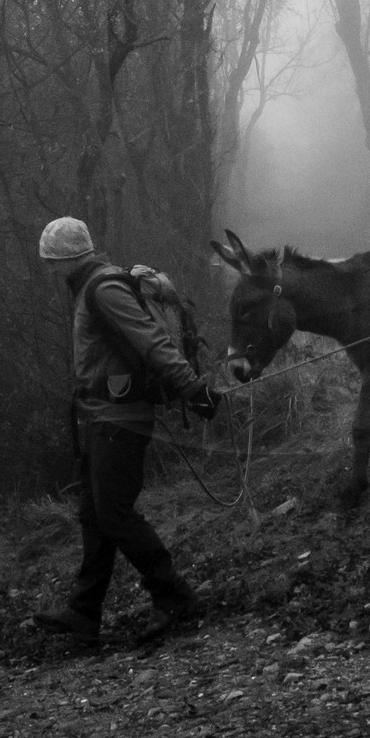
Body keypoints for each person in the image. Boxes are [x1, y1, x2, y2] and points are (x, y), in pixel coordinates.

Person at [33, 216, 225, 646]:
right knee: (94, 514)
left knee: (114, 513)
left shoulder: (103, 289)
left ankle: (175, 596)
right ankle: (84, 613)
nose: (49, 271)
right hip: (100, 417)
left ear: (66, 260)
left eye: (51, 262)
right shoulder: (90, 288)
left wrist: (192, 387)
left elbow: (151, 340)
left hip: (120, 419)